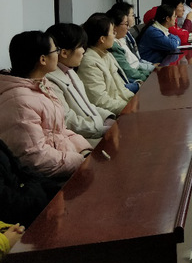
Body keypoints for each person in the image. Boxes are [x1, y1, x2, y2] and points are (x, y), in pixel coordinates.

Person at [0, 31, 92, 179]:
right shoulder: (19, 101)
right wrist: (79, 160)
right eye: (55, 50)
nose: (58, 54)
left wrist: (83, 150)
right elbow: (35, 158)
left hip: (63, 159)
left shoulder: (41, 84)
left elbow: (59, 130)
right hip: (45, 178)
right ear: (43, 59)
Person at [45, 23, 116, 141]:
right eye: (81, 46)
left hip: (93, 128)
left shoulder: (70, 71)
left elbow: (87, 105)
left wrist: (107, 118)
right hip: (82, 138)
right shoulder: (50, 80)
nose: (84, 51)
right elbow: (68, 120)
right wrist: (101, 127)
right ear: (64, 53)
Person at [79, 13, 136, 114]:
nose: (115, 36)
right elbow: (101, 101)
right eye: (112, 33)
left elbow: (121, 88)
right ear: (102, 39)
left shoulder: (106, 54)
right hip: (111, 113)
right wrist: (130, 108)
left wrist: (135, 100)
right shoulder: (89, 63)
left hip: (121, 105)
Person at [110, 1, 157, 74]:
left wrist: (151, 65)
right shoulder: (118, 41)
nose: (134, 18)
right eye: (132, 15)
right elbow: (131, 67)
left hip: (140, 67)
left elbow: (137, 60)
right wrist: (151, 67)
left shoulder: (127, 34)